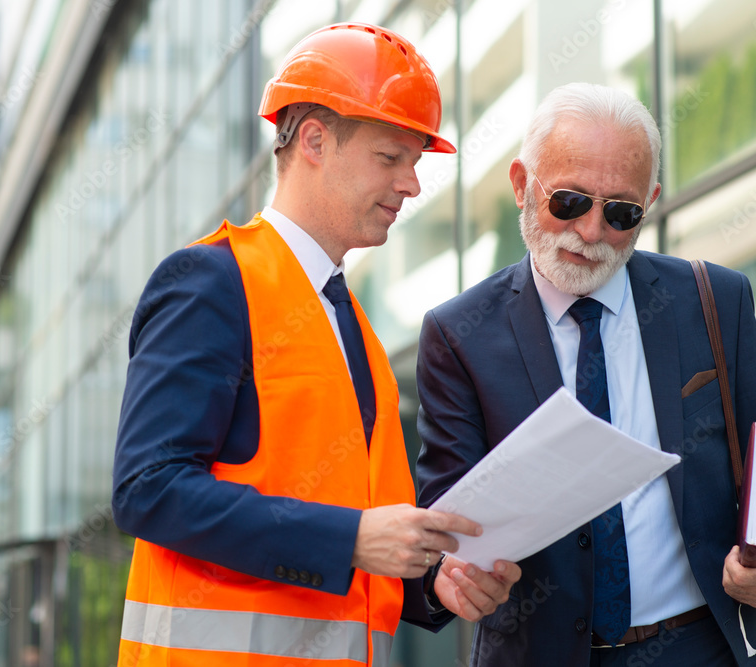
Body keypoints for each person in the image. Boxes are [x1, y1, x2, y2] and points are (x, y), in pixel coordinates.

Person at [111, 23, 520, 667]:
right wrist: (352, 538)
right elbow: (148, 488)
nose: (412, 185)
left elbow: (359, 542)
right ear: (314, 141)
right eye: (391, 158)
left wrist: (434, 582)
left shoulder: (353, 324)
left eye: (415, 162)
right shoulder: (212, 284)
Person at [414, 82, 756, 666]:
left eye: (622, 213)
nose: (592, 233)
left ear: (651, 201)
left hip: (701, 649)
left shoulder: (713, 300)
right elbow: (443, 524)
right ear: (522, 185)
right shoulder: (459, 334)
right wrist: (448, 576)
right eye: (570, 202)